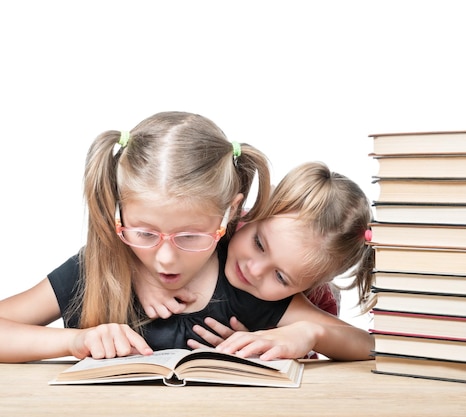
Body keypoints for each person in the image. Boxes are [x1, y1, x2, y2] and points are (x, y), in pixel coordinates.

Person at [0, 111, 273, 363]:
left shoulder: (245, 273)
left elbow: (317, 331)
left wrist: (300, 335)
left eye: (190, 236)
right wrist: (74, 341)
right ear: (118, 211)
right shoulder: (95, 269)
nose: (166, 259)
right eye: (144, 233)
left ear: (231, 212)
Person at [136, 161, 376, 361]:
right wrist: (139, 271)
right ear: (253, 213)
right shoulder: (207, 227)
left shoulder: (276, 305)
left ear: (307, 288)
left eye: (281, 277)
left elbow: (371, 346)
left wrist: (310, 333)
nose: (254, 270)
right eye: (259, 243)